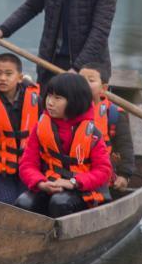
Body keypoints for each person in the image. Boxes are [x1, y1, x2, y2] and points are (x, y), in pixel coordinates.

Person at [16, 73, 112, 217]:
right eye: (49, 96)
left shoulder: (92, 133)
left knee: (60, 202)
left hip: (82, 190)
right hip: (49, 185)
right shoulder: (40, 128)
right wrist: (40, 183)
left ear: (74, 101)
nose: (50, 102)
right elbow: (27, 164)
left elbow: (104, 171)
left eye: (57, 98)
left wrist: (73, 182)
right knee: (23, 203)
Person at [0, 52, 41, 205]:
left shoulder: (36, 100)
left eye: (8, 74)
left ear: (19, 77)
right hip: (1, 170)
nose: (2, 78)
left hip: (31, 166)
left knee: (28, 204)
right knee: (6, 202)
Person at [79, 63, 135, 190]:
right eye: (81, 80)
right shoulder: (68, 110)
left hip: (102, 176)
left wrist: (124, 175)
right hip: (74, 174)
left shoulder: (114, 115)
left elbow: (125, 147)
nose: (85, 84)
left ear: (103, 88)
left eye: (91, 80)